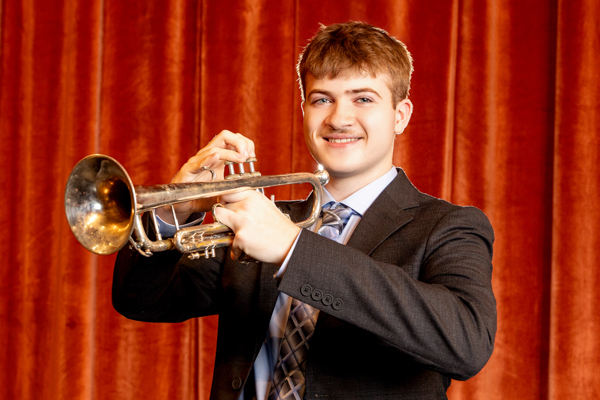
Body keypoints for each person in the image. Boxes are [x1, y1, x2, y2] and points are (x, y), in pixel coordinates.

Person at [113, 21, 496, 400]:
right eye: (322, 99)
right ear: (304, 110)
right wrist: (175, 210)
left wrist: (293, 249)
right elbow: (142, 300)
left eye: (363, 98)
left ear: (401, 115)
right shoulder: (266, 219)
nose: (338, 118)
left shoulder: (448, 226)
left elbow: (465, 342)